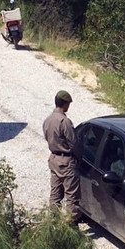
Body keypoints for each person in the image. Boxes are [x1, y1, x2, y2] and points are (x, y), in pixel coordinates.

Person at [42, 90, 83, 226]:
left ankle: (52, 224)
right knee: (71, 196)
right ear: (64, 104)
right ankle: (70, 226)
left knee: (55, 194)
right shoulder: (64, 121)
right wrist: (79, 158)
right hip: (66, 161)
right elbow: (73, 143)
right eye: (68, 104)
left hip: (54, 158)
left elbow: (47, 138)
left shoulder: (48, 120)